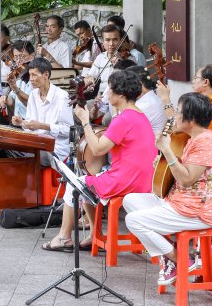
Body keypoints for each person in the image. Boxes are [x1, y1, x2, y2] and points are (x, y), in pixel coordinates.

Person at [123, 93, 212, 286]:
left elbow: (187, 178)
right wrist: (168, 160)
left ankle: (177, 258)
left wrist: (166, 151)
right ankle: (168, 254)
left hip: (197, 211)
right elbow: (190, 171)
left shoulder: (205, 142)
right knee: (130, 200)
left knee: (133, 220)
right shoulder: (195, 138)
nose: (175, 117)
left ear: (192, 120)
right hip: (183, 201)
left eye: (179, 113)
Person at [42, 70, 157, 252]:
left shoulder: (123, 119)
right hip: (142, 179)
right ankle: (94, 234)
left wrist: (85, 121)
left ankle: (64, 237)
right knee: (86, 181)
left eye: (109, 89)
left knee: (75, 184)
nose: (106, 93)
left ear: (120, 94)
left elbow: (97, 148)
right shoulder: (139, 115)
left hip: (126, 181)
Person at [158, 64, 212, 163]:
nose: (193, 81)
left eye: (196, 78)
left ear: (205, 82)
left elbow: (175, 127)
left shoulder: (207, 103)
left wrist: (165, 99)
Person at [10, 57, 73, 167]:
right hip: (36, 144)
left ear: (46, 75)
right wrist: (21, 122)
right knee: (4, 148)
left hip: (55, 148)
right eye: (30, 75)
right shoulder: (34, 95)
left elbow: (69, 131)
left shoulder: (62, 97)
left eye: (34, 75)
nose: (31, 79)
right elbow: (31, 124)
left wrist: (43, 126)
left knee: (33, 156)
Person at [0, 40, 35, 118]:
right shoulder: (19, 76)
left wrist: (15, 88)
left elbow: (33, 101)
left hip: (31, 122)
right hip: (18, 121)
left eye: (22, 56)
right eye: (16, 57)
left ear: (32, 56)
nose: (18, 61)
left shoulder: (35, 76)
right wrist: (5, 99)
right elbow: (12, 100)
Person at [127, 66, 166, 135]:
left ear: (140, 83)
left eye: (127, 84)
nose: (124, 88)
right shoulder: (150, 97)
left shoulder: (143, 105)